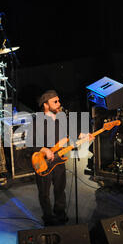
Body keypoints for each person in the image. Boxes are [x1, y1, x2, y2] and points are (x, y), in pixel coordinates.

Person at [34, 90, 93, 226]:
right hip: (43, 161)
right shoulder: (37, 121)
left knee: (60, 188)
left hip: (59, 159)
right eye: (55, 101)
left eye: (59, 101)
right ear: (46, 105)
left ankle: (60, 213)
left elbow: (71, 132)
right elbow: (29, 144)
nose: (59, 104)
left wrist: (84, 135)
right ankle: (48, 217)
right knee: (44, 193)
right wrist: (44, 149)